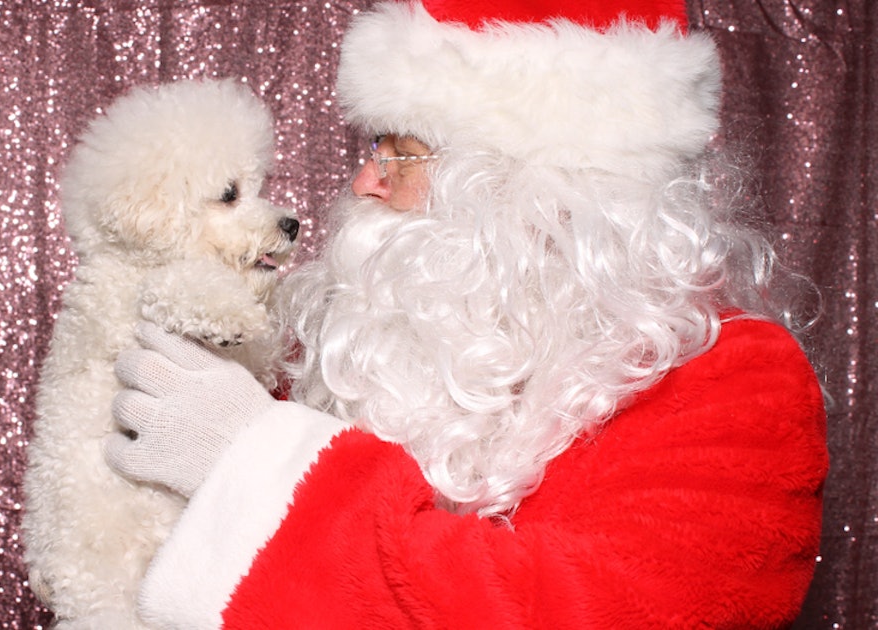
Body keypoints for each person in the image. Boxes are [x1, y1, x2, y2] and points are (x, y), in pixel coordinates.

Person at [103, 0, 830, 627]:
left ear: (537, 184)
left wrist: (252, 468)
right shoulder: (355, 351)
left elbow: (578, 613)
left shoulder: (739, 385)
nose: (364, 181)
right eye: (372, 148)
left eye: (403, 154)